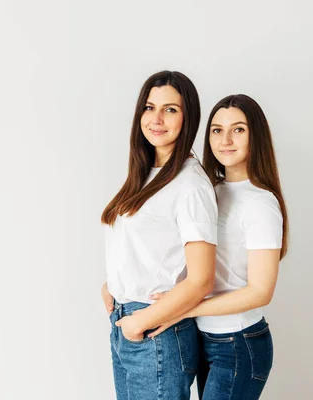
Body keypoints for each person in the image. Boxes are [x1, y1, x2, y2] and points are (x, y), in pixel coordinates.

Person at [109, 94, 290, 399]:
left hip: (238, 342)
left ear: (256, 136)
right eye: (217, 130)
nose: (226, 140)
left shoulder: (260, 203)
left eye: (239, 129)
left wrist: (184, 308)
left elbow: (261, 292)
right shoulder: (210, 189)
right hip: (206, 337)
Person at [100, 70, 218, 400]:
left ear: (188, 117)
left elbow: (202, 279)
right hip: (127, 322)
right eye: (149, 108)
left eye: (170, 109)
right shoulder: (145, 173)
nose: (156, 119)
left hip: (154, 331)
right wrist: (111, 288)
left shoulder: (191, 185)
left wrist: (141, 322)